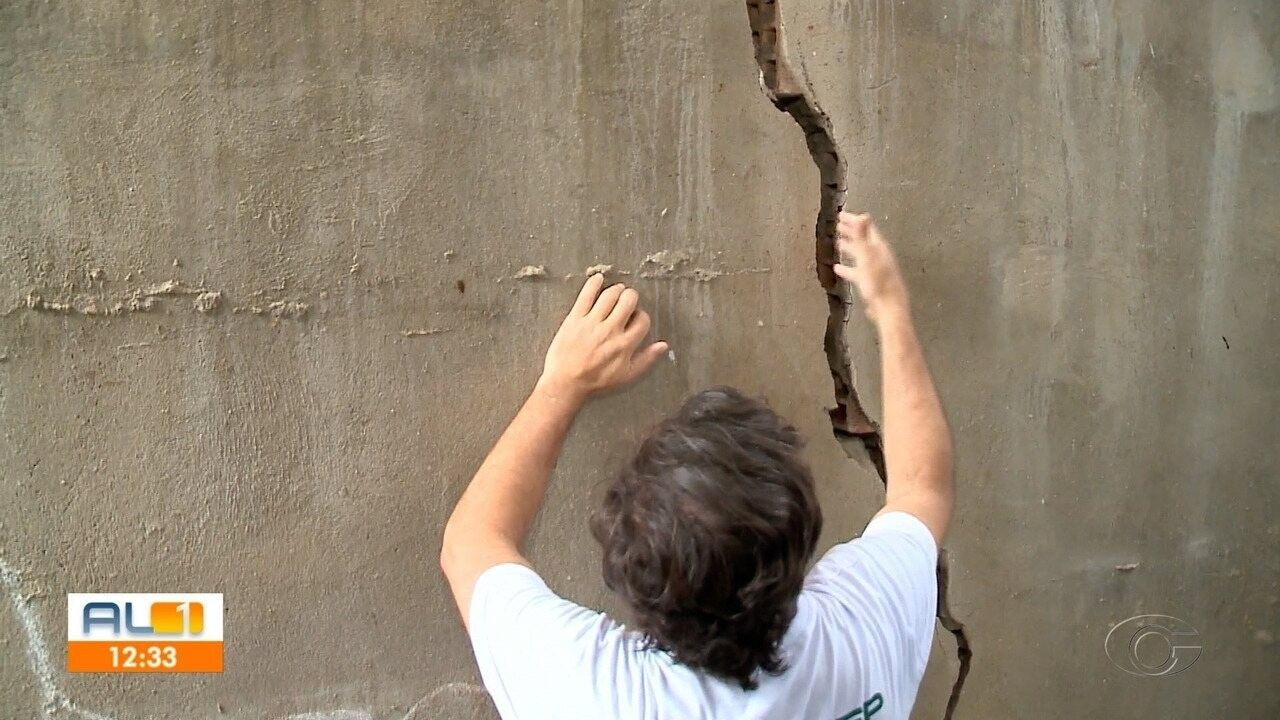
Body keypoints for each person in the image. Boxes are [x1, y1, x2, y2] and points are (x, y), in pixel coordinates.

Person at [440, 212, 954, 720]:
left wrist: (561, 387)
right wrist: (891, 308)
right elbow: (920, 489)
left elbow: (472, 543)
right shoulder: (859, 633)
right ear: (801, 532)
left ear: (630, 575)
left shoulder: (597, 695)